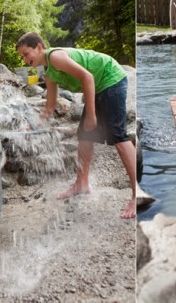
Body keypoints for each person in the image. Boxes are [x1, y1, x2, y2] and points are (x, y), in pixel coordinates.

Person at [16, 32, 136, 219]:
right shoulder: (49, 74)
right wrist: (32, 127)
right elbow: (49, 107)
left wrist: (91, 115)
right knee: (85, 135)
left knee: (118, 136)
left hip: (111, 78)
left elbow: (87, 77)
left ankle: (138, 196)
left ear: (39, 47)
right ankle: (82, 183)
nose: (24, 60)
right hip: (99, 84)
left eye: (26, 54)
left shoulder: (55, 56)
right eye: (21, 57)